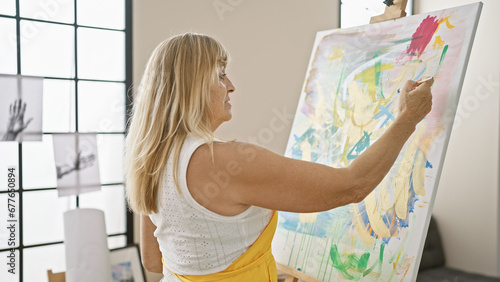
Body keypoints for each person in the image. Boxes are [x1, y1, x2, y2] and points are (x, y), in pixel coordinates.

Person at [124, 32, 433, 282]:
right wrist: (408, 118)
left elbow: (154, 260)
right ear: (191, 87)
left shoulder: (151, 156)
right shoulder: (226, 161)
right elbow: (351, 185)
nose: (231, 86)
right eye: (220, 75)